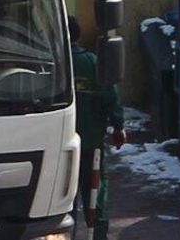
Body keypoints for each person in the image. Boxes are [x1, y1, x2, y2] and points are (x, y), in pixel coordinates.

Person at [69, 16, 125, 239]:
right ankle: (98, 234)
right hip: (91, 143)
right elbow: (111, 97)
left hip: (59, 145)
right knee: (95, 191)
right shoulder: (93, 63)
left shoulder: (53, 63)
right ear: (79, 36)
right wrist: (118, 126)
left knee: (64, 196)